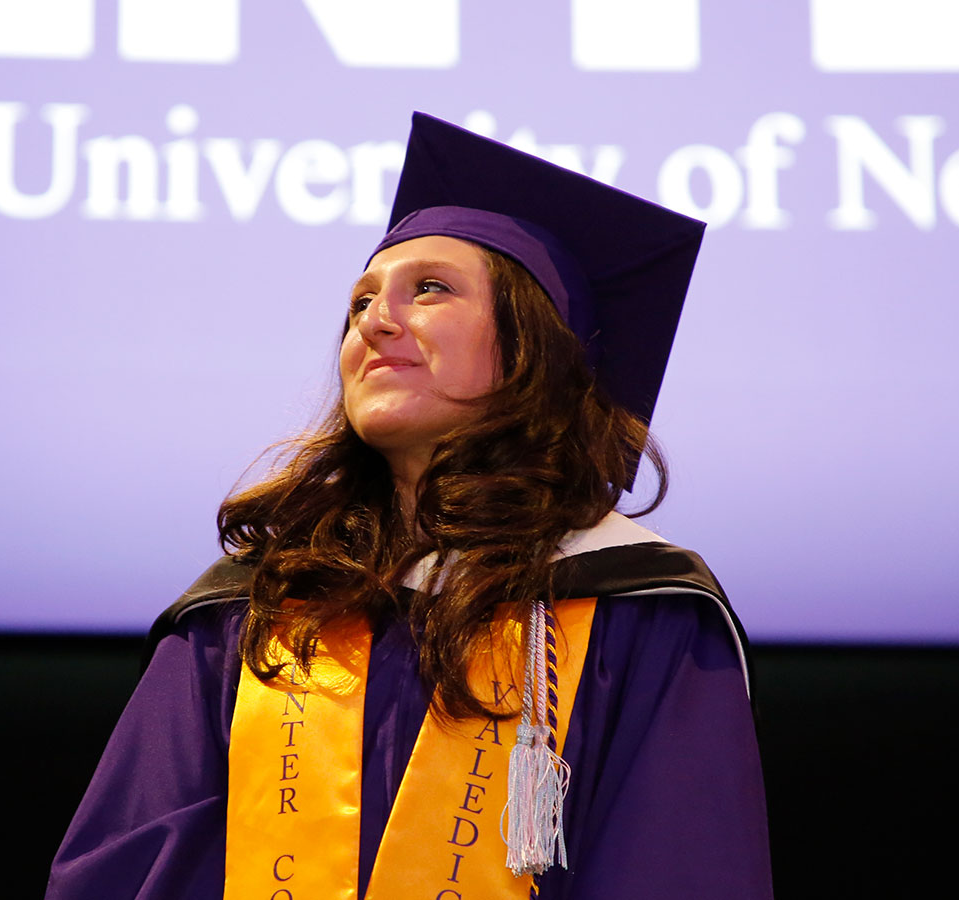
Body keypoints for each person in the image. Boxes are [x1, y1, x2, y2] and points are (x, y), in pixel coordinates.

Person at [47, 113, 772, 899]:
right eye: (360, 304)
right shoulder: (253, 610)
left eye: (429, 290)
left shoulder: (638, 611)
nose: (374, 323)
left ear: (536, 346)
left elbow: (681, 869)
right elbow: (123, 870)